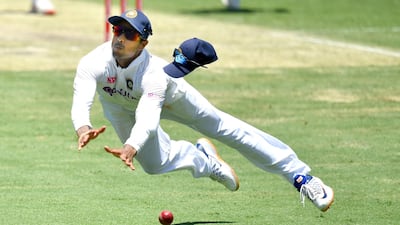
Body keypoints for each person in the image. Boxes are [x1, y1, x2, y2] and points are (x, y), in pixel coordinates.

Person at [71, 9, 334, 212]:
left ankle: (300, 175)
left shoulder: (155, 74)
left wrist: (131, 145)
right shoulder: (94, 61)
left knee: (225, 128)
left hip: (173, 99)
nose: (120, 37)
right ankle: (204, 160)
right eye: (118, 29)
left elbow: (148, 117)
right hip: (119, 106)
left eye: (130, 34)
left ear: (143, 43)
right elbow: (81, 97)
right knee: (153, 165)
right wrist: (82, 127)